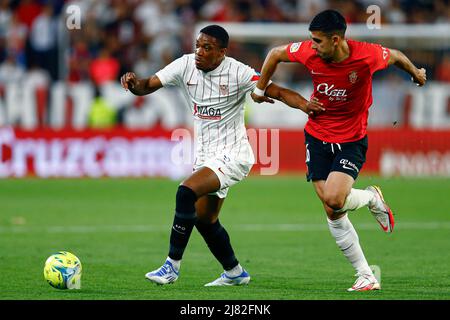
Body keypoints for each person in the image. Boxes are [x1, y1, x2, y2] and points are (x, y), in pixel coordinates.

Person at [120, 24, 324, 286]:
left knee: (185, 192)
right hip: (206, 156)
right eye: (197, 45)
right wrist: (133, 83)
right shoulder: (185, 65)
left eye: (207, 48)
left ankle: (171, 267)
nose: (199, 52)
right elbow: (147, 84)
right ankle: (235, 272)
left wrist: (306, 105)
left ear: (222, 53)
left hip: (234, 154)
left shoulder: (238, 72)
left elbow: (279, 91)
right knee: (205, 220)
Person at [251, 10, 426, 291]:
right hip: (317, 135)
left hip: (351, 139)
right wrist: (260, 90)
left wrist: (416, 73)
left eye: (318, 41)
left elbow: (394, 55)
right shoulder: (309, 52)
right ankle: (366, 275)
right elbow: (274, 54)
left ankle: (371, 198)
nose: (313, 46)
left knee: (334, 198)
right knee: (332, 209)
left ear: (335, 40)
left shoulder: (366, 55)